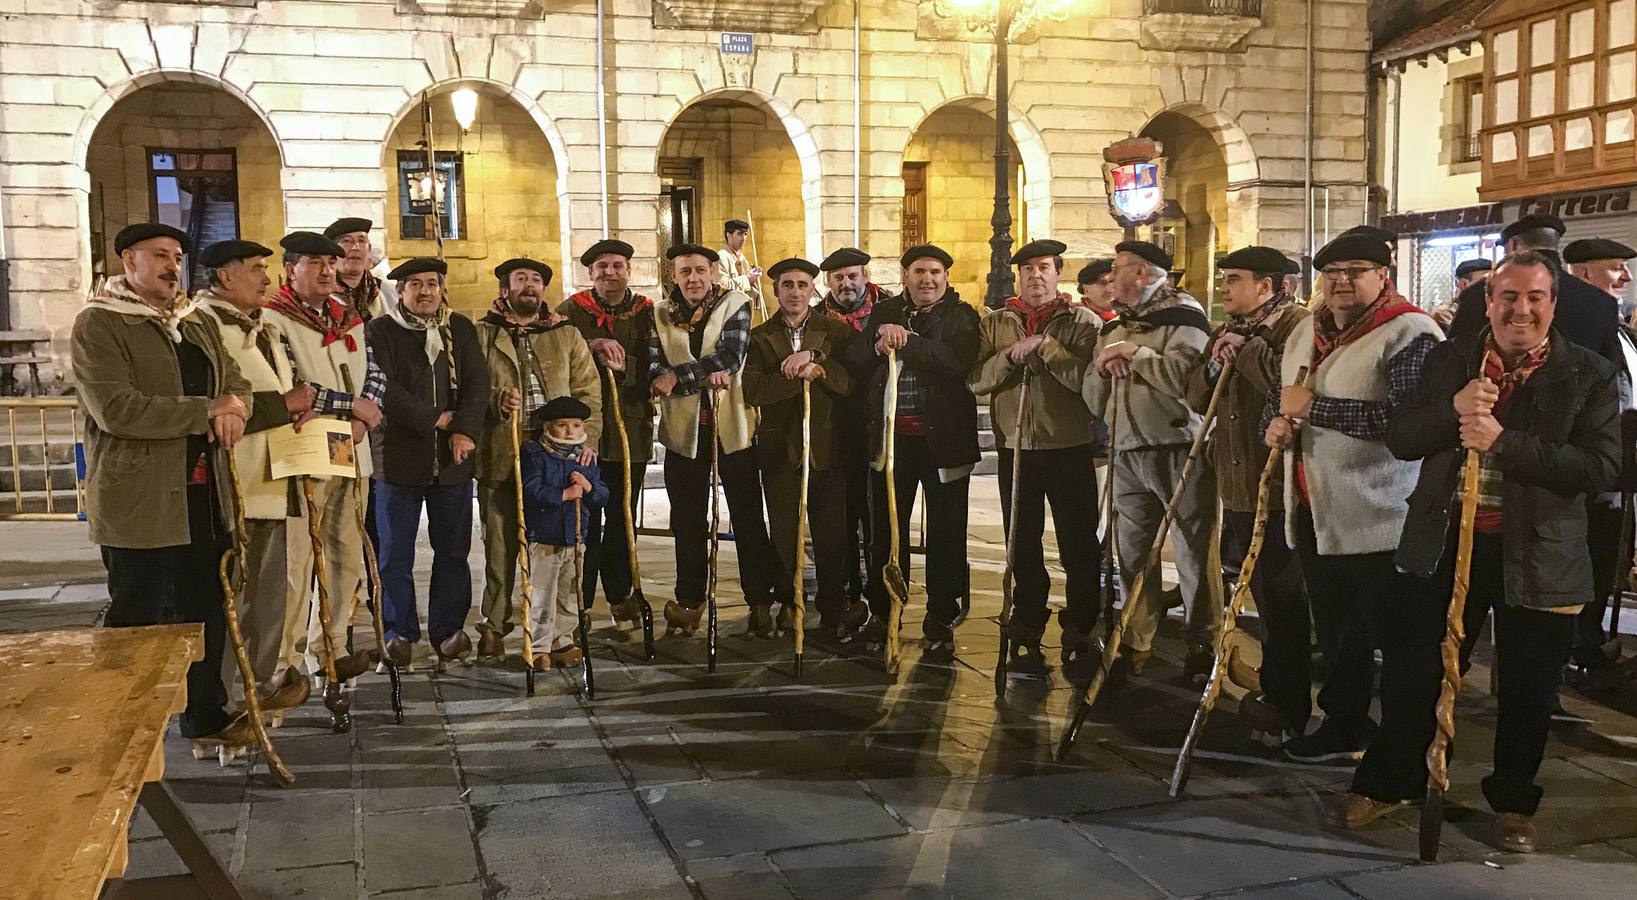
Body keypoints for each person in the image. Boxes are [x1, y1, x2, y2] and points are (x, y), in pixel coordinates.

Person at [1333, 252, 1619, 854]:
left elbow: (1600, 469)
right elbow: (1403, 437)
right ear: (1489, 302)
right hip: (1442, 543)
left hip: (1540, 555)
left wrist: (1504, 442)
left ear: (1553, 304)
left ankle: (1514, 800)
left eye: (1535, 297)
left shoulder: (1587, 373)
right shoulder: (1450, 359)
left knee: (1529, 686)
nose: (1522, 309)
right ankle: (1393, 780)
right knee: (1415, 671)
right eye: (1508, 296)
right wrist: (1453, 409)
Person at [73, 223, 264, 754]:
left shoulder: (192, 321)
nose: (171, 266)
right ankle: (123, 728)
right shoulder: (101, 323)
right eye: (159, 255)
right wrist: (208, 411)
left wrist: (237, 408)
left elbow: (235, 380)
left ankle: (204, 716)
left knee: (205, 609)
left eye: (177, 256)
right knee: (140, 616)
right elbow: (117, 409)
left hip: (204, 496)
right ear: (128, 260)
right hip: (142, 499)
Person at [1262, 232, 1443, 763]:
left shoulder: (1410, 333)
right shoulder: (1308, 332)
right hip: (1316, 510)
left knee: (1387, 635)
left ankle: (1406, 748)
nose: (1341, 280)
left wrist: (1313, 411)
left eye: (1356, 270)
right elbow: (1284, 400)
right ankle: (1344, 724)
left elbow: (1407, 424)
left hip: (1379, 511)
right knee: (1338, 632)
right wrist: (1273, 424)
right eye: (1332, 271)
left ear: (1383, 274)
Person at [1183, 246, 1311, 735]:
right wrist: (1217, 362)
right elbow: (1197, 395)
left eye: (1234, 279)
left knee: (1283, 599)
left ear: (1268, 285)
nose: (1224, 288)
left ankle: (1287, 701)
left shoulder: (1296, 327)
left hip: (1278, 486)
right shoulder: (1227, 329)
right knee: (1259, 590)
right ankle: (1276, 683)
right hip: (1236, 483)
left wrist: (1247, 350)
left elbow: (1291, 390)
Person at [1082, 240, 1218, 681]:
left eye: (1117, 270)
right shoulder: (1114, 326)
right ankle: (1136, 635)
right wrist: (1103, 370)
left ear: (1142, 273)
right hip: (1125, 449)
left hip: (1178, 447)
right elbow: (1092, 390)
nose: (1109, 280)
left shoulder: (1184, 319)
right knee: (1132, 551)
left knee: (1194, 549)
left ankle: (1203, 639)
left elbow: (1188, 381)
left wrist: (1136, 356)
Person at [839, 244, 981, 663]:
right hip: (892, 444)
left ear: (946, 277)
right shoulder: (885, 314)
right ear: (905, 277)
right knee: (886, 531)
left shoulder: (962, 316)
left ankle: (940, 614)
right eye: (918, 271)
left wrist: (909, 342)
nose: (927, 279)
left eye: (935, 272)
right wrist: (877, 345)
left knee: (946, 532)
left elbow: (956, 362)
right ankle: (885, 611)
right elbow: (855, 358)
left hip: (943, 444)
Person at [194, 238, 317, 716]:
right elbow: (220, 401)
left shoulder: (264, 327)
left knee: (267, 601)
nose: (267, 278)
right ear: (225, 277)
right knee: (230, 601)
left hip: (275, 477)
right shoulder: (201, 327)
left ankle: (259, 690)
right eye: (255, 269)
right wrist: (283, 406)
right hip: (234, 486)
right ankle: (220, 704)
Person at [969, 239, 1102, 679]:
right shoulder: (997, 323)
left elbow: (1087, 383)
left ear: (1057, 273)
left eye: (1043, 267)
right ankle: (1028, 615)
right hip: (1016, 448)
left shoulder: (1082, 322)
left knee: (1078, 542)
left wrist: (1047, 348)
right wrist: (1010, 355)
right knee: (1020, 542)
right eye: (1027, 269)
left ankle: (1083, 622)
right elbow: (977, 381)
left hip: (1068, 447)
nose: (1035, 276)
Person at [262, 230, 385, 683]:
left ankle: (330, 646)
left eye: (331, 263)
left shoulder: (346, 315)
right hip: (308, 450)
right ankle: (286, 659)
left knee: (345, 554)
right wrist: (351, 406)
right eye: (315, 262)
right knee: (299, 561)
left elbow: (375, 371)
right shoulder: (273, 319)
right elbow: (293, 385)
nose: (328, 270)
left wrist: (363, 418)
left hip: (353, 447)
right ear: (290, 269)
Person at [474, 257, 601, 660]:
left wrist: (586, 438)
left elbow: (589, 390)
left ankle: (557, 632)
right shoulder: (481, 334)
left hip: (557, 457)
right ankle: (494, 626)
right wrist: (495, 401)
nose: (530, 286)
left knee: (557, 549)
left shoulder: (564, 334)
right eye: (520, 279)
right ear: (504, 288)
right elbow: (466, 388)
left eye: (536, 280)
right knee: (499, 546)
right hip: (503, 451)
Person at [651, 243, 779, 635]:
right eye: (684, 271)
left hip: (732, 429)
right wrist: (680, 376)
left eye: (700, 271)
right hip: (683, 433)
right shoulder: (659, 313)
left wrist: (678, 376)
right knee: (687, 520)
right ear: (674, 275)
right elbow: (655, 363)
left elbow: (732, 356)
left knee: (746, 516)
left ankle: (759, 600)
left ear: (713, 273)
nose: (693, 278)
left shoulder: (735, 303)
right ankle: (689, 601)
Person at [368, 257, 490, 669]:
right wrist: (433, 418)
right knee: (394, 554)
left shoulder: (458, 328)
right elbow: (384, 387)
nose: (425, 292)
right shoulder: (381, 330)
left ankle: (448, 630)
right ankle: (398, 631)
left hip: (452, 460)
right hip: (398, 458)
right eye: (415, 284)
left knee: (454, 549)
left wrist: (465, 431)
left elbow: (477, 383)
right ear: (400, 291)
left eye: (432, 284)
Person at [744, 257, 866, 640]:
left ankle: (833, 603)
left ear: (814, 289)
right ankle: (789, 599)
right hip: (781, 448)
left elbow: (849, 384)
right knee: (785, 530)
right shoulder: (760, 337)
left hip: (827, 447)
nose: (795, 292)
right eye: (787, 285)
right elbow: (755, 390)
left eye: (802, 284)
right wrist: (799, 377)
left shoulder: (835, 333)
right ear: (776, 290)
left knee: (832, 531)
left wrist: (819, 364)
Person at [559, 240, 655, 630]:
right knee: (583, 519)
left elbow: (657, 361)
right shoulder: (570, 312)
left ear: (629, 270)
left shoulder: (647, 313)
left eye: (618, 265)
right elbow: (557, 354)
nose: (610, 272)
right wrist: (590, 345)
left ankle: (621, 596)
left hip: (630, 427)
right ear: (591, 273)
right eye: (602, 266)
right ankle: (579, 600)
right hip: (583, 434)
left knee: (621, 517)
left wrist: (624, 363)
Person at [1562, 237, 1637, 684]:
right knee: (1588, 558)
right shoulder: (1582, 327)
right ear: (1584, 274)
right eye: (1615, 268)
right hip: (1593, 469)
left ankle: (1589, 641)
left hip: (1619, 468)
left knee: (1609, 554)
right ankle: (1577, 645)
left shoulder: (1618, 325)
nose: (1625, 278)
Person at [1449, 214, 1621, 364]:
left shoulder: (1479, 294)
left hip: (1493, 398)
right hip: (1582, 400)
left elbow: (1453, 357)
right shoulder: (1602, 302)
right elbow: (1613, 373)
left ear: (1513, 245)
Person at [521, 397, 610, 669]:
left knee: (569, 593)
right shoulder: (536, 454)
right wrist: (563, 494)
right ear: (548, 426)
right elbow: (531, 490)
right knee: (542, 594)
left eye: (576, 425)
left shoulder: (585, 457)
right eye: (562, 425)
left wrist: (588, 487)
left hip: (575, 538)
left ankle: (562, 641)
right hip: (545, 536)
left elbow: (602, 494)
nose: (570, 431)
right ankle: (537, 646)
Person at [818, 246, 881, 606]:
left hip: (875, 427)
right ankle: (846, 587)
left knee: (875, 516)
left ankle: (878, 586)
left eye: (852, 276)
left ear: (864, 277)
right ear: (828, 282)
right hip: (836, 427)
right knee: (839, 516)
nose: (846, 284)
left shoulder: (886, 311)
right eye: (839, 278)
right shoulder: (815, 318)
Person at [325, 217, 392, 322]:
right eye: (346, 241)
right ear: (332, 250)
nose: (356, 247)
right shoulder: (322, 293)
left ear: (369, 249)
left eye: (361, 241)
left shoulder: (388, 291)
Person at [716, 218, 763, 312]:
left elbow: (747, 287)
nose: (744, 238)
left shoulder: (742, 258)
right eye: (740, 234)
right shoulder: (722, 257)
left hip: (743, 308)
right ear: (729, 235)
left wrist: (754, 278)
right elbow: (721, 286)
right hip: (728, 310)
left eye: (745, 234)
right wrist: (748, 280)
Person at [1435, 259, 1493, 328]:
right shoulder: (1445, 316)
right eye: (1484, 283)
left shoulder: (1492, 309)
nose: (1491, 287)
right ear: (1464, 284)